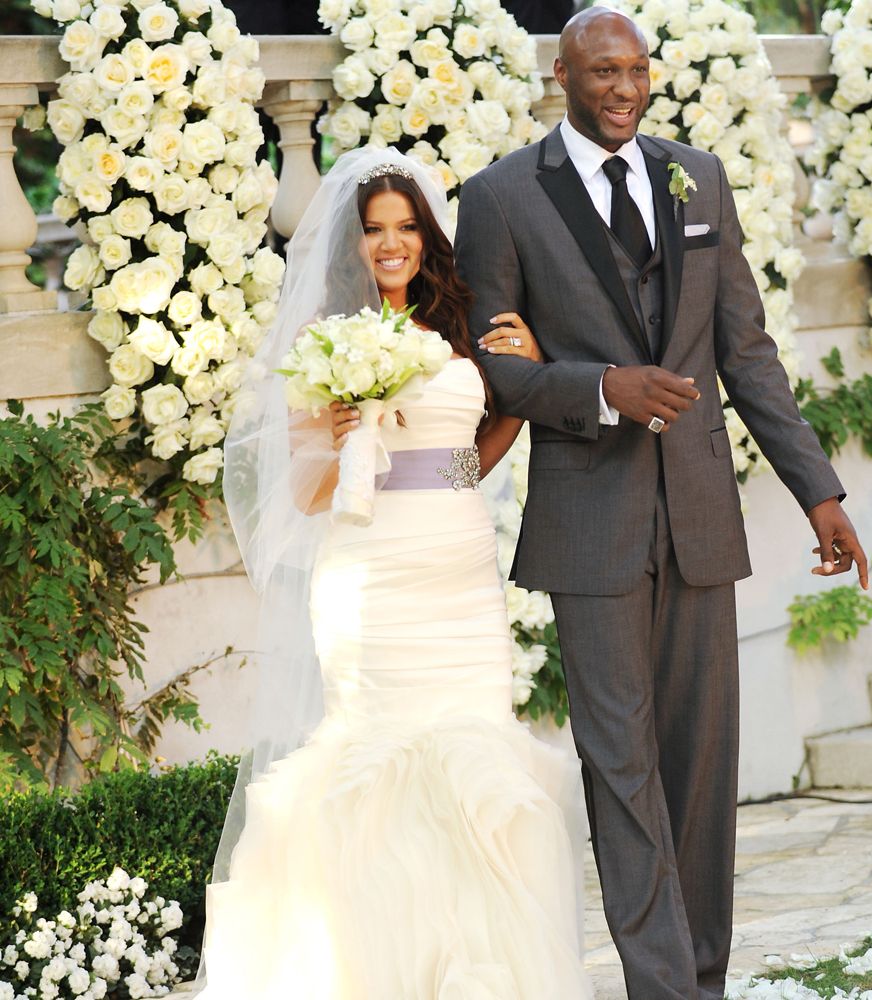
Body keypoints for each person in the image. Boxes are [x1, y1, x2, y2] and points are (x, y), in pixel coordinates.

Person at [454, 8, 869, 1000]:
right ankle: (663, 988)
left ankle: (704, 979)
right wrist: (600, 389)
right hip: (588, 522)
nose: (623, 89)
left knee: (698, 766)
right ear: (560, 74)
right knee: (621, 764)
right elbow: (493, 372)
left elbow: (746, 350)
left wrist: (818, 492)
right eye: (602, 71)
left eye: (636, 69)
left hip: (698, 516)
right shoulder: (502, 197)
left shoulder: (699, 176)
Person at [197, 148, 593, 998]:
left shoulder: (461, 324)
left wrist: (522, 363)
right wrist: (344, 440)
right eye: (376, 230)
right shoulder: (321, 343)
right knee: (377, 763)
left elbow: (471, 454)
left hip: (459, 572)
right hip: (371, 581)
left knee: (479, 751)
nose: (391, 244)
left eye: (406, 227)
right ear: (355, 243)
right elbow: (300, 493)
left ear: (427, 237)